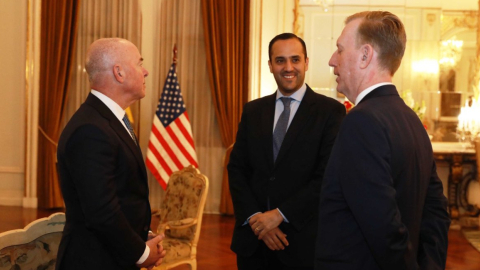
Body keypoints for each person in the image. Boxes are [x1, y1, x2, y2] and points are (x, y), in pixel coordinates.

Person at [315, 11, 451, 270]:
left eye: (340, 50)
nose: (332, 61)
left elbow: (383, 227)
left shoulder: (360, 122)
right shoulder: (411, 119)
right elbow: (437, 213)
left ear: (365, 56)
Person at [227, 33, 345, 270]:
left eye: (295, 59)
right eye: (280, 61)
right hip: (254, 243)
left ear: (306, 63)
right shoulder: (253, 111)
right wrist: (256, 221)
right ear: (270, 65)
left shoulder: (331, 112)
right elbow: (237, 169)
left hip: (301, 243)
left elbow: (326, 176)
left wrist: (279, 215)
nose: (288, 67)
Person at [55, 38, 166, 270]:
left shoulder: (107, 120)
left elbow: (124, 194)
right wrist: (142, 254)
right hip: (94, 261)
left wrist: (140, 236)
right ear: (119, 73)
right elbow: (102, 213)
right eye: (139, 63)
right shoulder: (90, 130)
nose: (145, 71)